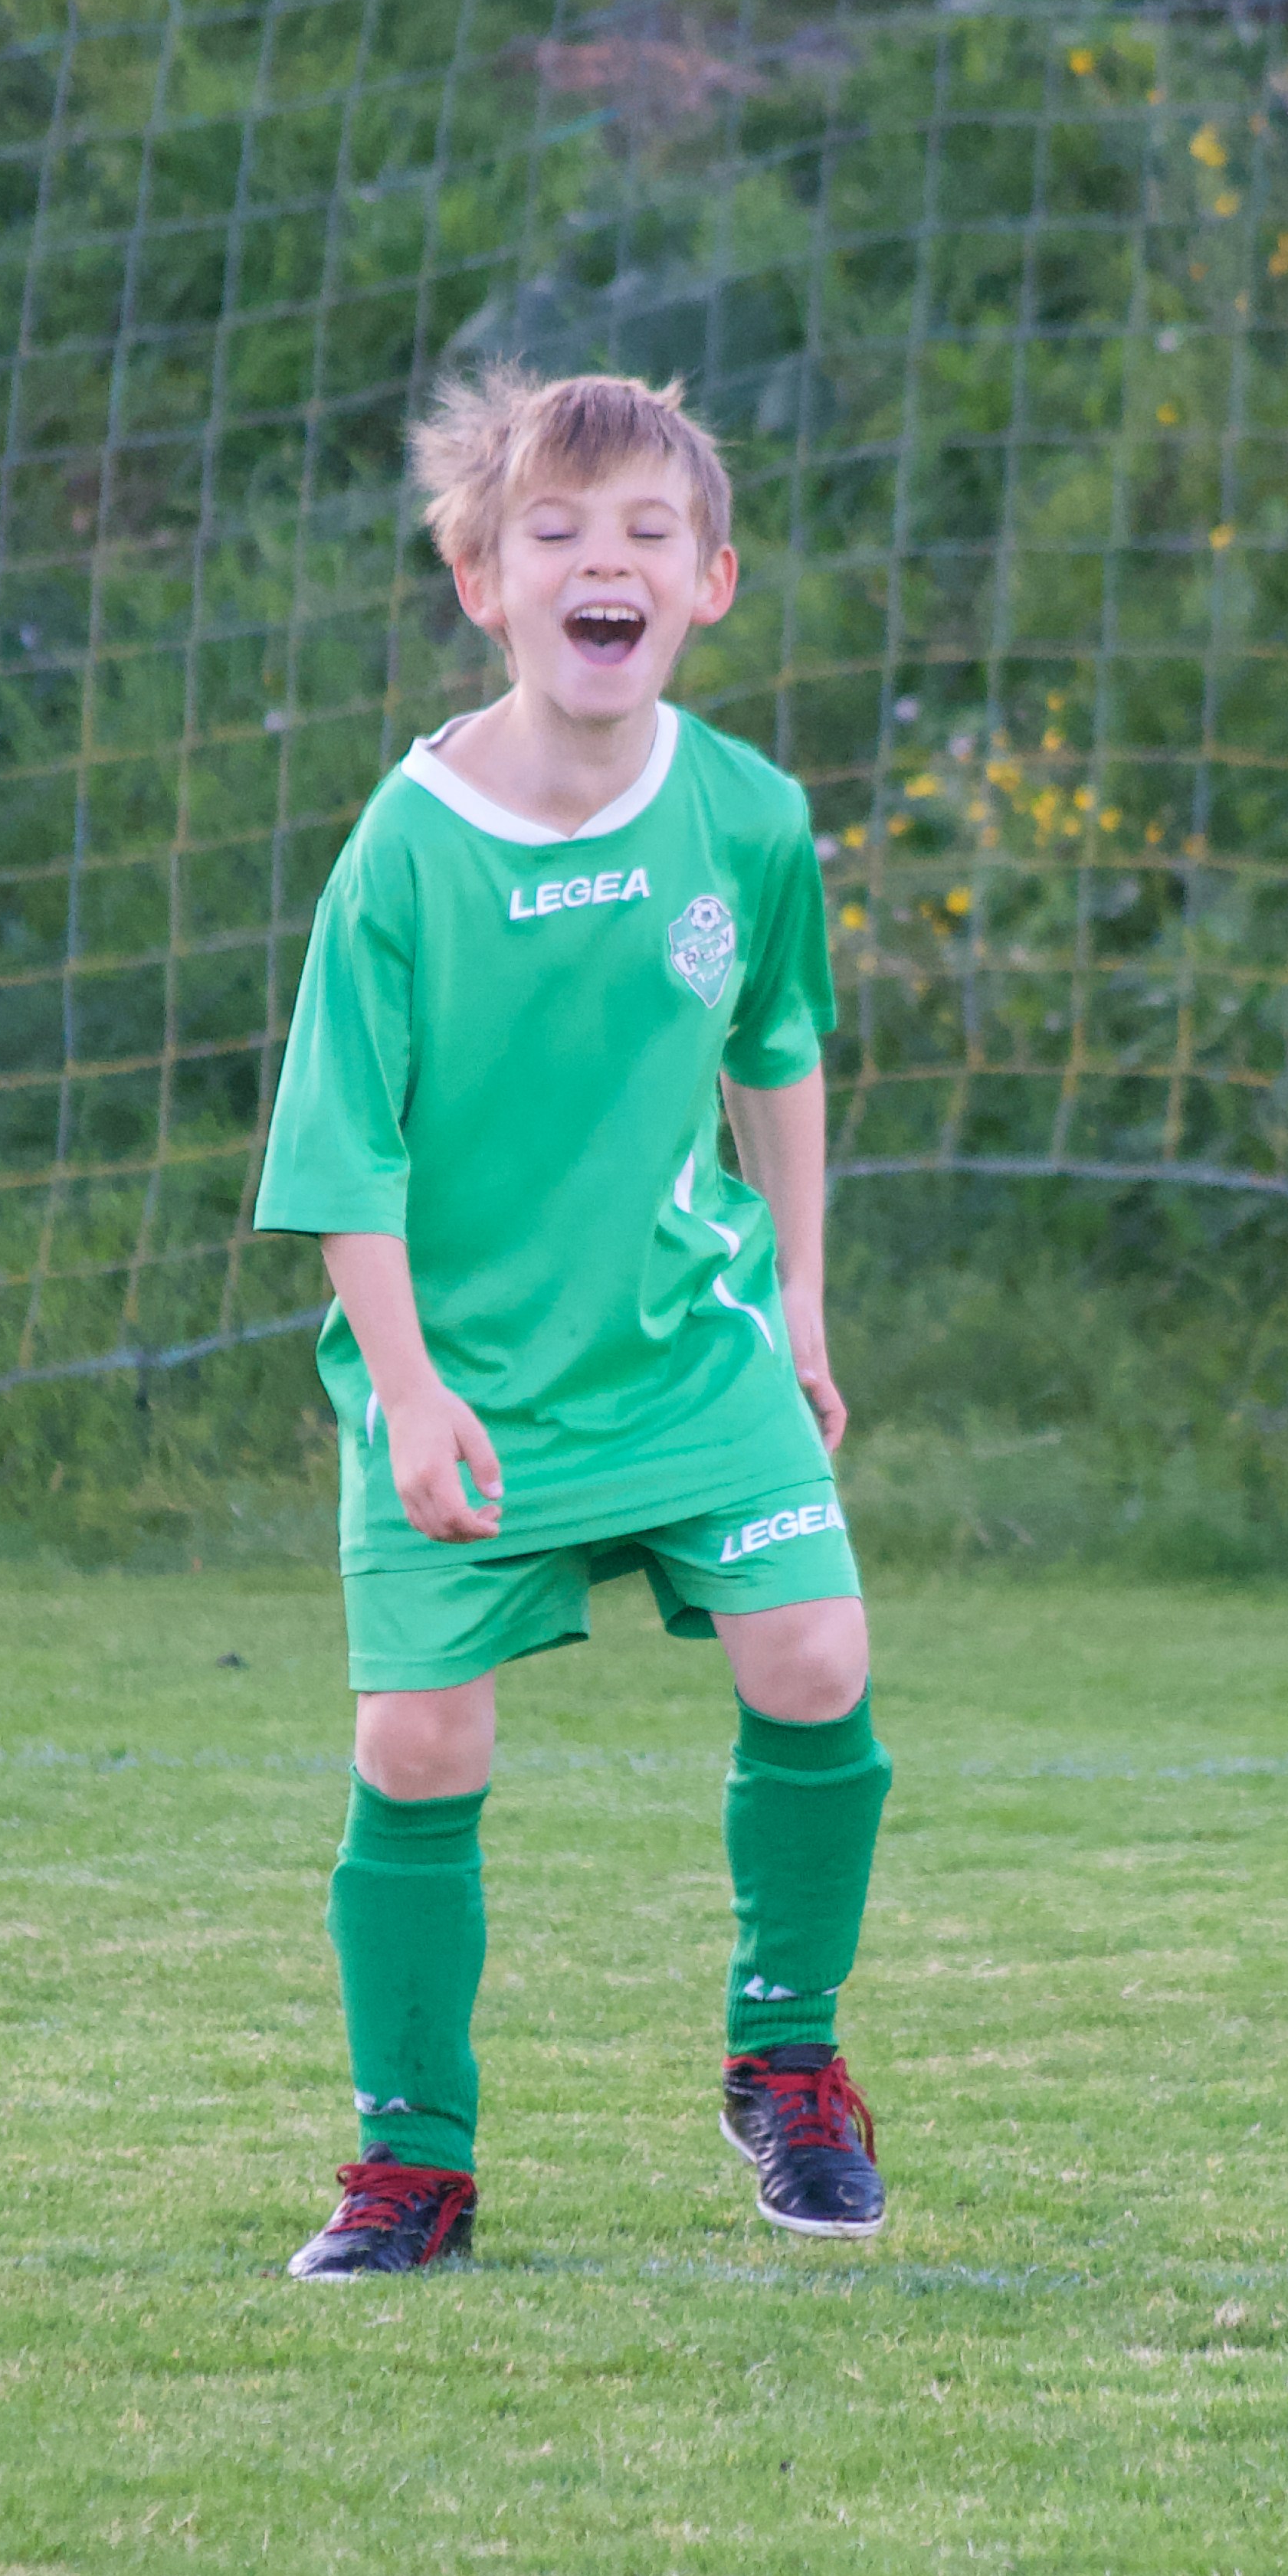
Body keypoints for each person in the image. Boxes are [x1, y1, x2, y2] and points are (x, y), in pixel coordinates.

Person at [254, 367, 893, 2280]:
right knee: (418, 1744)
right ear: (482, 583)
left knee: (817, 1654)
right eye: (555, 532)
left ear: (706, 582)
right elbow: (341, 1154)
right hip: (465, 1379)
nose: (600, 561)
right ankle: (411, 2169)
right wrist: (408, 1391)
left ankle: (787, 2065)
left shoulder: (749, 816)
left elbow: (775, 1050)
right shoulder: (406, 849)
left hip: (693, 1345)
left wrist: (799, 1298)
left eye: (643, 533)